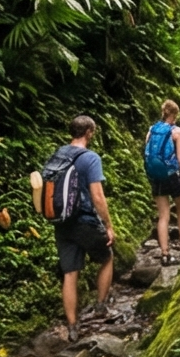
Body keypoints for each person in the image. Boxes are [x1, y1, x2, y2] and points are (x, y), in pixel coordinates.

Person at [43, 116, 116, 344]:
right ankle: (101, 306)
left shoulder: (58, 155)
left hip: (61, 223)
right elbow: (97, 196)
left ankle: (73, 326)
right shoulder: (89, 158)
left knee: (70, 273)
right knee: (107, 257)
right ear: (89, 133)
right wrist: (108, 225)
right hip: (84, 221)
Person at [143, 102, 180, 261]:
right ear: (175, 115)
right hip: (172, 175)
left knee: (163, 215)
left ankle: (165, 254)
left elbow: (148, 153)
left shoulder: (151, 130)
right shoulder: (177, 132)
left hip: (156, 176)